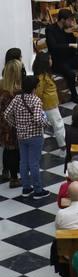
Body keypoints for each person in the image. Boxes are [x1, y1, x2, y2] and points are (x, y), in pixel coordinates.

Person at [3, 74, 49, 198]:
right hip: (35, 136)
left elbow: (6, 114)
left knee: (23, 162)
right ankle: (38, 190)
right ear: (35, 87)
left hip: (21, 135)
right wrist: (46, 123)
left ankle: (26, 188)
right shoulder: (36, 100)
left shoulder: (17, 98)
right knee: (34, 163)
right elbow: (38, 119)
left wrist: (16, 124)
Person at [32, 52, 65, 148]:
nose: (51, 60)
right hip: (48, 106)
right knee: (58, 125)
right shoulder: (42, 78)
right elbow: (38, 93)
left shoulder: (45, 75)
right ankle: (63, 145)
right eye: (50, 59)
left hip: (48, 105)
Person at [45, 8, 78, 101]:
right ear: (62, 20)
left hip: (70, 57)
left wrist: (74, 34)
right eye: (69, 20)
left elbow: (75, 46)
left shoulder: (69, 30)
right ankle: (74, 96)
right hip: (57, 61)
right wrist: (70, 45)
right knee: (71, 74)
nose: (71, 22)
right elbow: (53, 47)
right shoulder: (50, 29)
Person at [0, 58, 22, 187]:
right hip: (13, 127)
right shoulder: (16, 93)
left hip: (4, 125)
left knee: (8, 150)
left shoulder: (3, 89)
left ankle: (6, 171)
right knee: (14, 151)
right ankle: (14, 178)